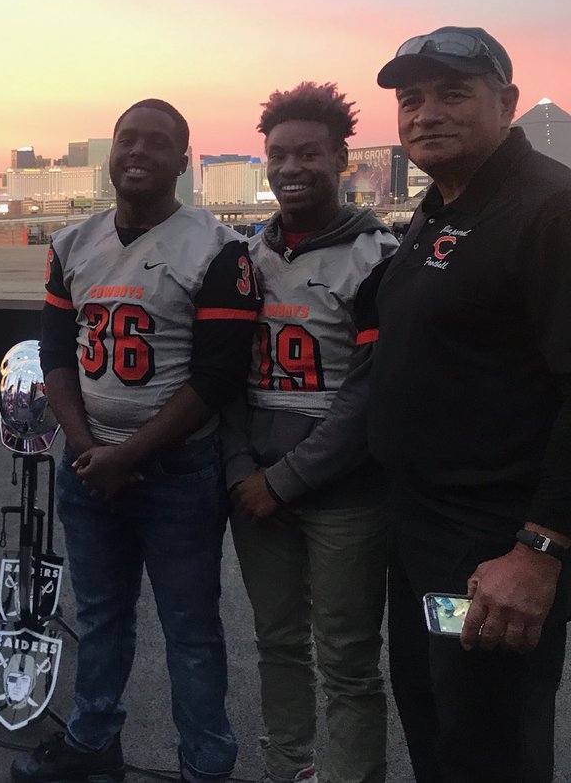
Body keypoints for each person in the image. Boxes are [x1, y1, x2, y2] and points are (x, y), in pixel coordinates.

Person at [14, 99, 261, 783]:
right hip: (90, 462)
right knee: (98, 617)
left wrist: (129, 454)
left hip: (177, 472)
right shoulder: (72, 243)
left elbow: (216, 376)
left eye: (158, 143)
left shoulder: (217, 249)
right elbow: (57, 351)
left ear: (183, 160)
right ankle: (93, 745)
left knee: (190, 630)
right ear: (111, 151)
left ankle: (207, 764)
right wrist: (87, 445)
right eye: (128, 139)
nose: (138, 152)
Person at [368, 26, 571, 782]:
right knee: (435, 722)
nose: (426, 113)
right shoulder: (439, 209)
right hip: (422, 533)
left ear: (507, 102)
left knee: (491, 743)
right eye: (411, 99)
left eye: (453, 93)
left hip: (494, 547)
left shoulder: (549, 209)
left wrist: (539, 551)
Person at [221, 83, 397, 783]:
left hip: (344, 496)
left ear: (342, 161)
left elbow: (368, 395)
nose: (291, 168)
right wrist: (238, 467)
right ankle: (287, 769)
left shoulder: (380, 256)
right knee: (277, 644)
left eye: (309, 154)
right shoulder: (244, 258)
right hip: (255, 490)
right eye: (279, 154)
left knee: (349, 659)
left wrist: (281, 481)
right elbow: (225, 376)